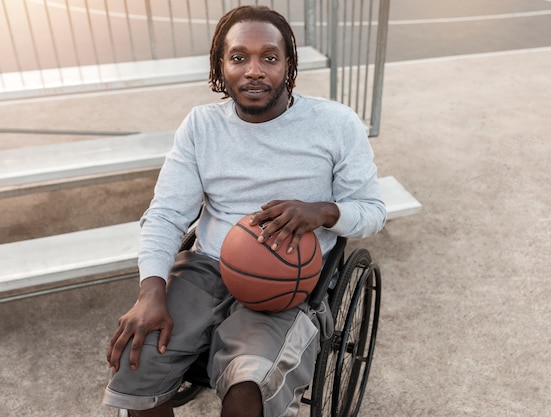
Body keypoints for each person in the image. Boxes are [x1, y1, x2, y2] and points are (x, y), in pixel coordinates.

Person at [103, 5, 386, 417]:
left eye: (269, 57)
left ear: (288, 65)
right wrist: (151, 292)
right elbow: (165, 215)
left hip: (287, 279)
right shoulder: (201, 127)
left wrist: (323, 211)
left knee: (248, 386)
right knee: (138, 361)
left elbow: (373, 211)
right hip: (207, 267)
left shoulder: (336, 124)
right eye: (239, 57)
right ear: (221, 66)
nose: (254, 70)